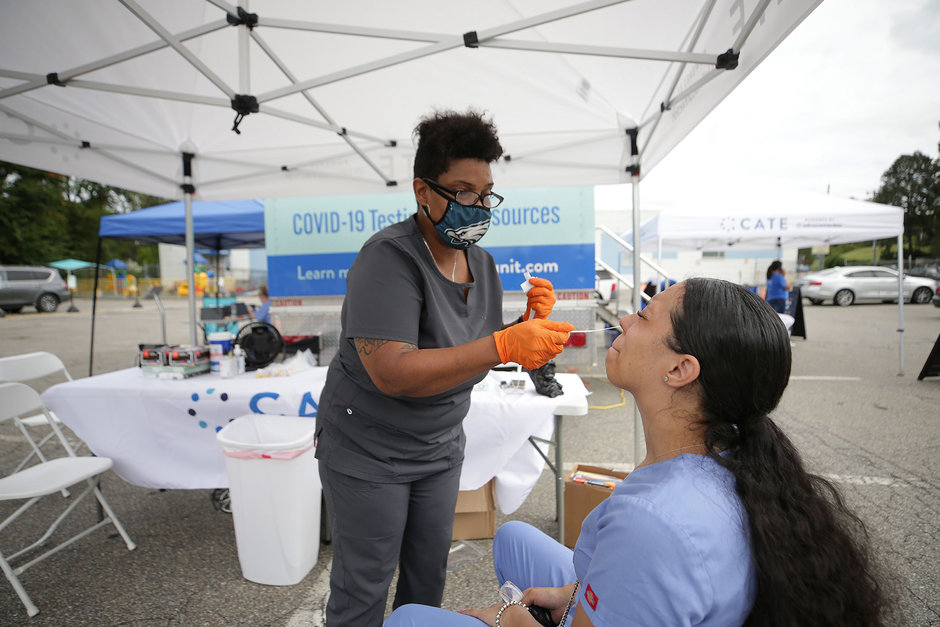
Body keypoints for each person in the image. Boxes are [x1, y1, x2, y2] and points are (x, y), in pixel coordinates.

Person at [385, 278, 891, 626]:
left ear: (679, 370)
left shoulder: (651, 521)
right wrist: (575, 596)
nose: (626, 319)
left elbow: (648, 542)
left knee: (407, 618)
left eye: (645, 316)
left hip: (650, 554)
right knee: (514, 537)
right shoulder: (726, 453)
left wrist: (511, 619)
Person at [315, 109, 573, 626]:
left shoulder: (484, 265)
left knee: (426, 581)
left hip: (438, 448)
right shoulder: (388, 259)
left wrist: (525, 330)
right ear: (423, 191)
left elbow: (467, 351)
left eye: (486, 193)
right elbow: (393, 371)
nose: (478, 206)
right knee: (363, 587)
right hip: (370, 450)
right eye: (462, 191)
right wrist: (503, 344)